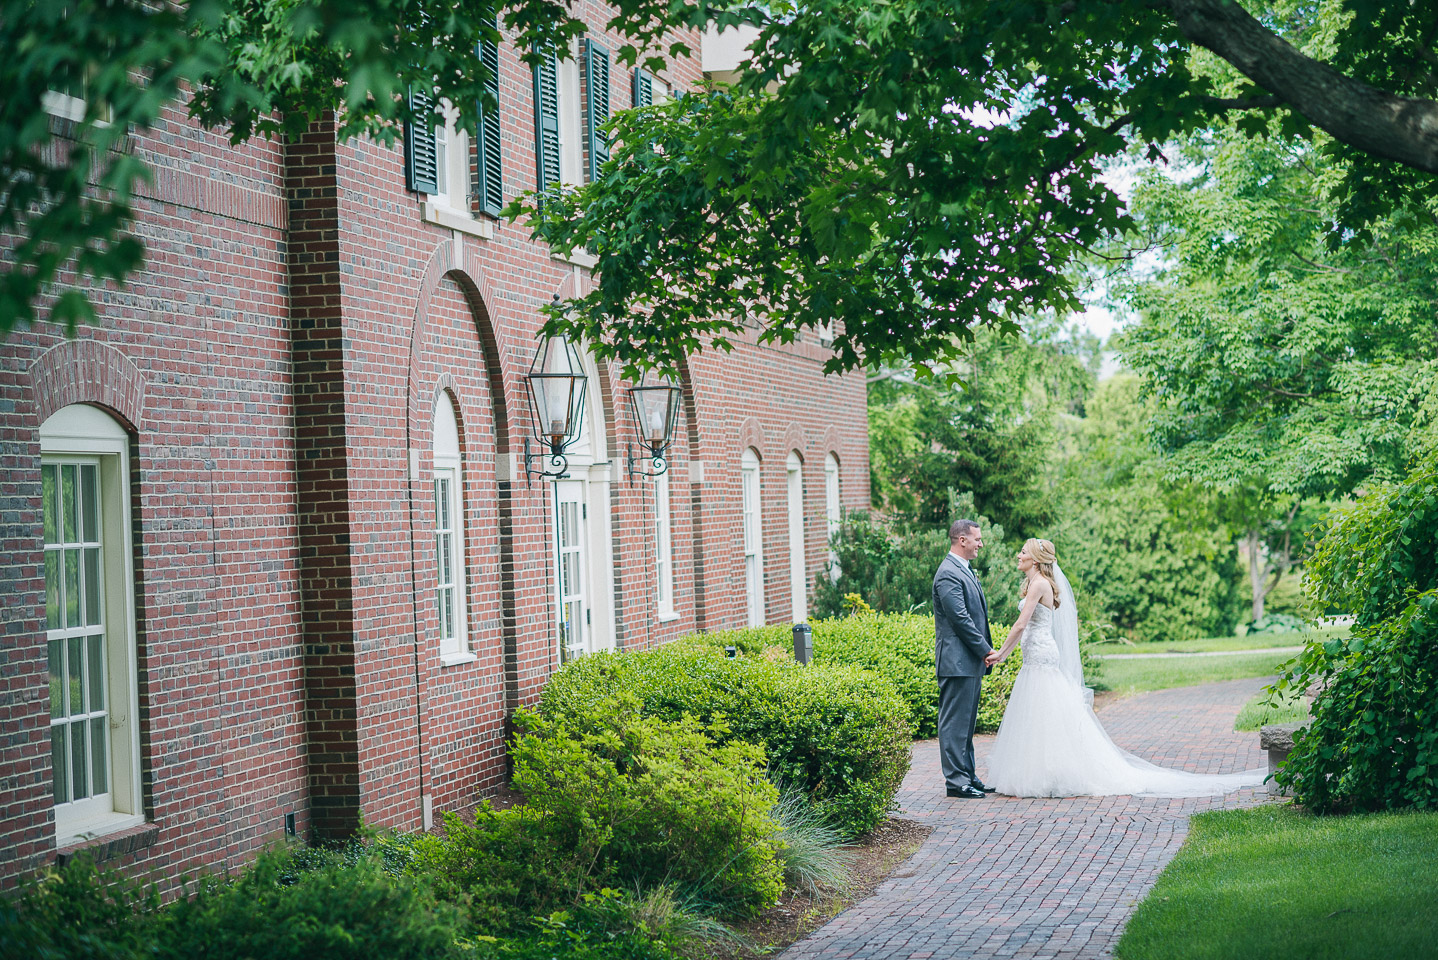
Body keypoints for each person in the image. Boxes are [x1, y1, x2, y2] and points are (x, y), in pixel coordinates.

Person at [982, 539, 1266, 798]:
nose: (1018, 555)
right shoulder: (1035, 583)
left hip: (1041, 656)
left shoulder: (1040, 584)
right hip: (1035, 655)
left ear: (1035, 558)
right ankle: (1039, 771)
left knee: (1045, 710)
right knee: (1037, 713)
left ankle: (1049, 774)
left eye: (1022, 552)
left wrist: (1000, 654)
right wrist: (1006, 654)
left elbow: (1021, 624)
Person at [933, 518, 995, 799]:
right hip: (956, 662)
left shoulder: (965, 570)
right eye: (977, 539)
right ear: (962, 540)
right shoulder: (948, 573)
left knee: (966, 723)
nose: (980, 544)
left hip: (967, 661)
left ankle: (968, 775)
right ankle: (956, 782)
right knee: (954, 724)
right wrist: (986, 650)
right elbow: (961, 620)